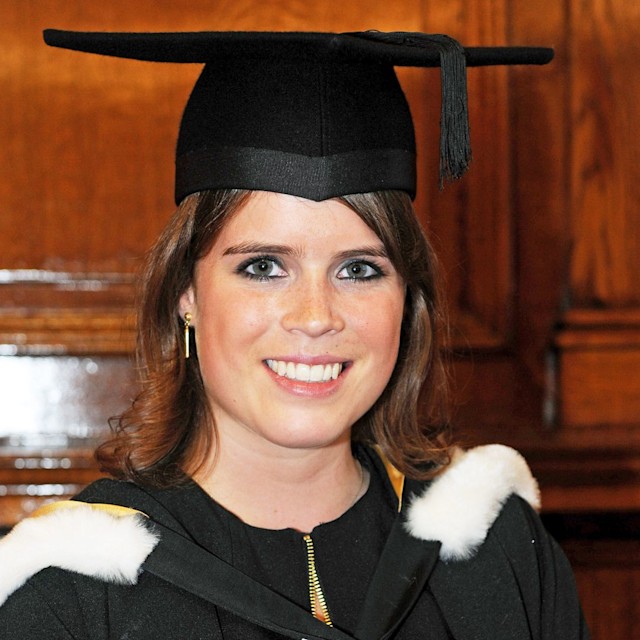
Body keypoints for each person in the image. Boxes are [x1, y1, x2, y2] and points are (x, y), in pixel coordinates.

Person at [0, 29, 589, 639]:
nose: (315, 316)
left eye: (359, 270)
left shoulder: (497, 554)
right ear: (185, 294)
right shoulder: (71, 594)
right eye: (263, 267)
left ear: (407, 300)